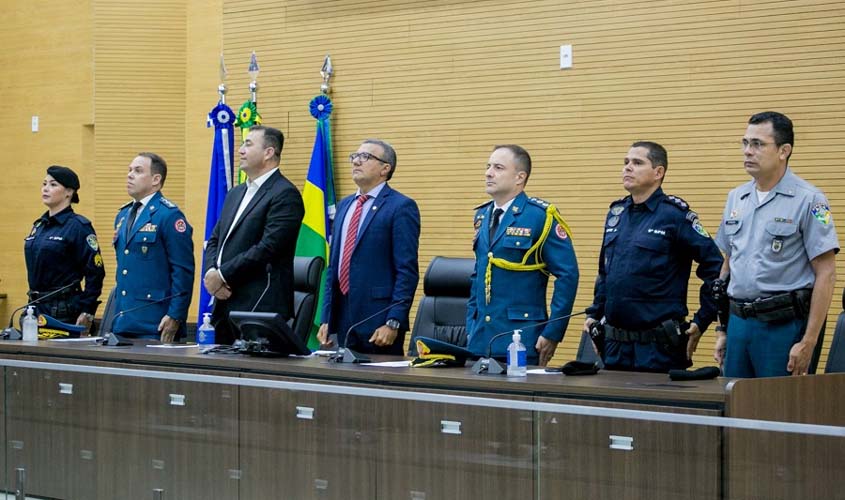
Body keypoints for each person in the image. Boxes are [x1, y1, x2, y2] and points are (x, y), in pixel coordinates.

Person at [714, 111, 839, 377]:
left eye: (758, 144)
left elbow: (826, 274)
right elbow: (728, 265)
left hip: (783, 326)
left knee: (778, 410)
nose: (748, 151)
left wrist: (809, 341)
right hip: (739, 323)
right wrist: (722, 329)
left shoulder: (811, 200)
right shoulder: (736, 198)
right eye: (745, 143)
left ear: (784, 151)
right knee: (736, 410)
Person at [583, 142, 723, 372]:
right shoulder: (616, 214)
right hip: (615, 346)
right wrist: (594, 314)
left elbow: (715, 267)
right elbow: (606, 273)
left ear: (658, 173)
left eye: (637, 163)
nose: (627, 168)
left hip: (658, 348)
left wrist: (702, 320)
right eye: (626, 162)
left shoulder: (675, 216)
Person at [466, 144, 579, 366]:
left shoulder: (540, 216)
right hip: (480, 339)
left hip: (520, 338)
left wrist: (553, 332)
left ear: (520, 177)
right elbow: (478, 275)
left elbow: (568, 275)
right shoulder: (482, 215)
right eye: (488, 166)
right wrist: (471, 324)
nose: (488, 173)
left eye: (498, 167)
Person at [316, 139, 420, 355]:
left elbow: (406, 271)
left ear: (385, 168)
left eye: (365, 157)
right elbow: (334, 268)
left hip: (377, 321)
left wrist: (393, 321)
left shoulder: (400, 207)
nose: (356, 161)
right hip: (340, 320)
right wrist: (326, 318)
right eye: (354, 156)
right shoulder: (345, 205)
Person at [203, 125, 305, 345]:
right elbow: (215, 239)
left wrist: (222, 275)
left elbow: (268, 247)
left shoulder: (285, 194)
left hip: (260, 306)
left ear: (269, 152)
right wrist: (212, 272)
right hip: (224, 301)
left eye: (248, 144)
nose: (240, 150)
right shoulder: (236, 193)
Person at [112, 153, 195, 342]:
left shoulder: (169, 216)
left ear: (156, 180)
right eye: (130, 170)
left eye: (138, 171)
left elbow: (182, 271)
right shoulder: (123, 215)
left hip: (155, 322)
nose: (130, 175)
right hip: (123, 320)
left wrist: (175, 315)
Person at [24, 165, 105, 332]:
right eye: (44, 184)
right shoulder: (39, 226)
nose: (46, 189)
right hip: (35, 305)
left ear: (69, 192)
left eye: (53, 185)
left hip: (63, 308)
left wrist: (87, 310)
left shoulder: (78, 226)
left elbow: (95, 272)